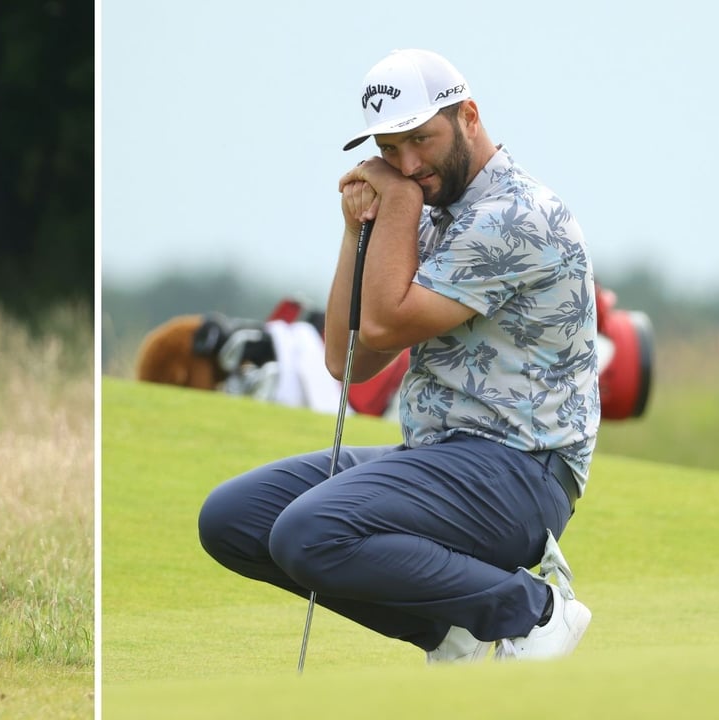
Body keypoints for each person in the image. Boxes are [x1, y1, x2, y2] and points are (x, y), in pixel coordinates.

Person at [197, 49, 600, 663]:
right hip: (443, 459)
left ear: (468, 115)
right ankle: (451, 634)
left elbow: (383, 322)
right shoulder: (439, 210)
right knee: (234, 518)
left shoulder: (516, 215)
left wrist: (398, 202)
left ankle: (532, 611)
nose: (407, 164)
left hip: (522, 473)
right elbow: (348, 360)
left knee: (309, 533)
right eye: (389, 149)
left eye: (420, 139)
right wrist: (358, 227)